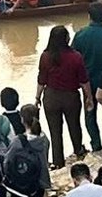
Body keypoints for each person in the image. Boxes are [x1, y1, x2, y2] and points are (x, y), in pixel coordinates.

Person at [38, 24, 91, 167]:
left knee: (55, 132)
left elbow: (41, 80)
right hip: (71, 97)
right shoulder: (76, 57)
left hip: (51, 97)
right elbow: (83, 80)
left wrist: (37, 97)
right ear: (67, 39)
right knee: (74, 126)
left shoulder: (45, 56)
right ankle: (79, 152)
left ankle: (58, 162)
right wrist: (89, 98)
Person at [73, 0, 102, 150]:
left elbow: (73, 58)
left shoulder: (80, 35)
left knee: (89, 114)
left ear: (89, 16)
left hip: (87, 81)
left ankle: (96, 144)